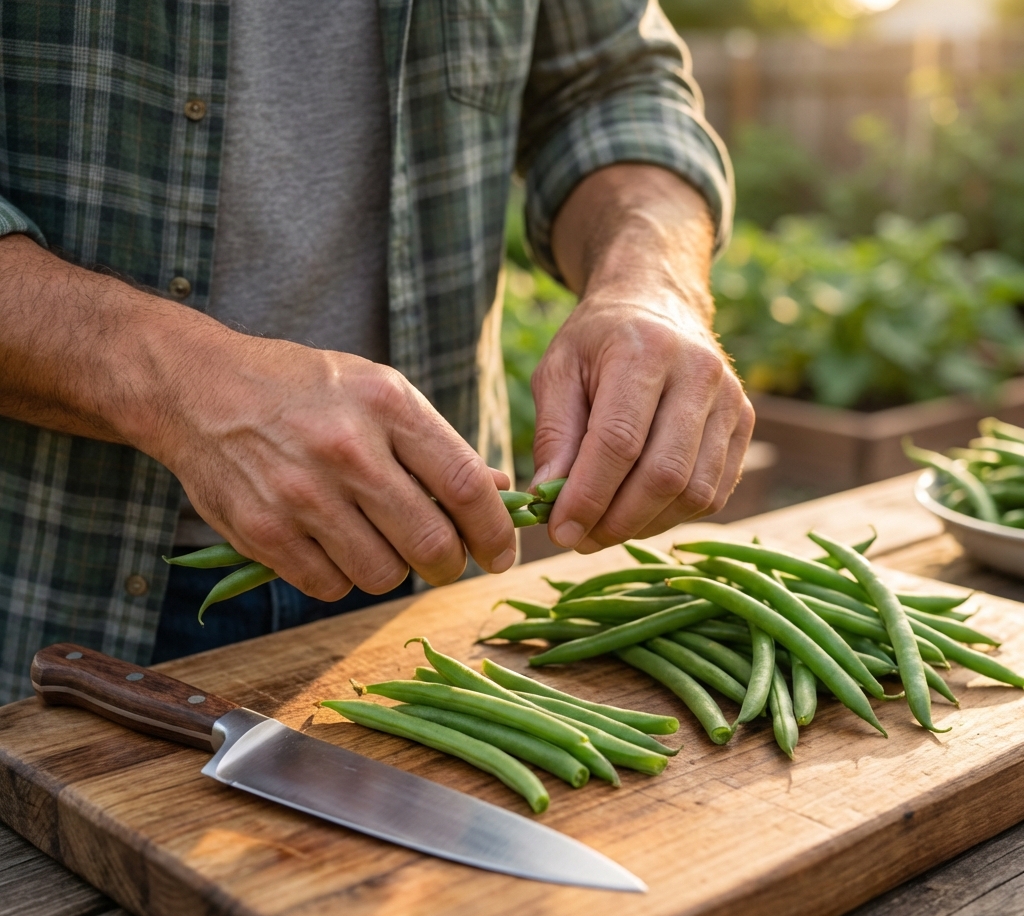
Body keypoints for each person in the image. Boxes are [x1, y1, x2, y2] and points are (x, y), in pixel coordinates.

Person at [0, 0, 752, 704]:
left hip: (425, 568)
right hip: (48, 583)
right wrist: (178, 386)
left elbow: (614, 86)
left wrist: (650, 284)